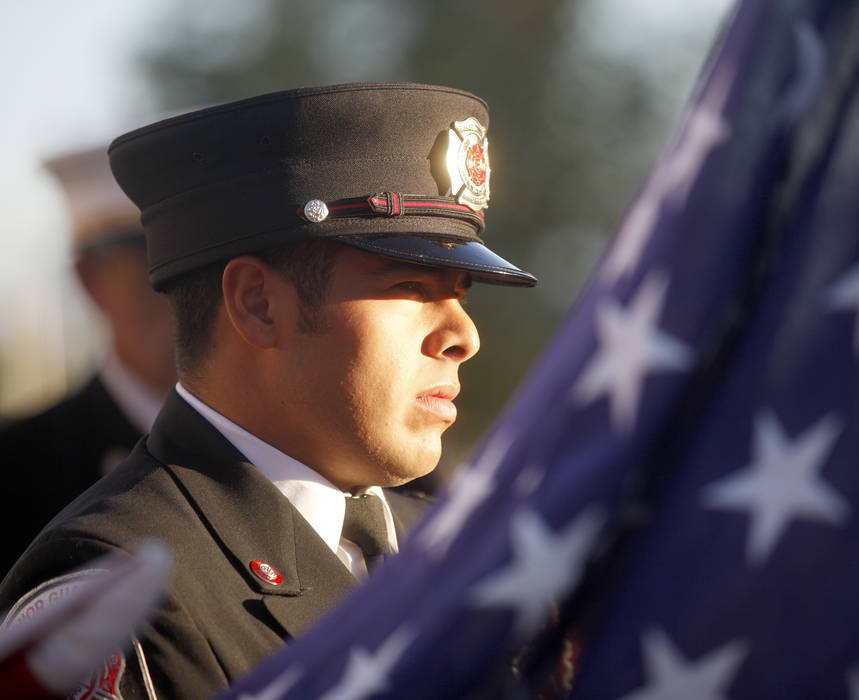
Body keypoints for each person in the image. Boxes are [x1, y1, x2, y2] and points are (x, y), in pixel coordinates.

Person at [0, 82, 536, 699]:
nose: (462, 335)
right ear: (258, 304)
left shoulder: (448, 542)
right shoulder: (113, 596)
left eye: (461, 294)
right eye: (412, 286)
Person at [0, 146, 176, 578]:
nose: (188, 286)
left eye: (210, 257)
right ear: (89, 279)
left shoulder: (293, 445)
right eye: (157, 259)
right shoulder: (15, 471)